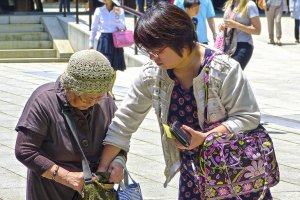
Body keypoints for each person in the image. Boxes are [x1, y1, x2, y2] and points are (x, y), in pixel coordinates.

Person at [97, 2, 273, 199]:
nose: (154, 57)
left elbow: (248, 116)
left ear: (180, 39)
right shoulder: (152, 75)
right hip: (193, 175)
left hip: (237, 173)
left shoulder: (223, 69)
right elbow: (124, 123)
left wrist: (206, 137)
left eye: (159, 50)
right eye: (149, 50)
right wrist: (103, 170)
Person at [15, 49, 126, 200]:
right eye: (87, 98)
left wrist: (119, 161)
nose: (93, 102)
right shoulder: (43, 100)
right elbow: (25, 150)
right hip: (50, 191)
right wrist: (66, 177)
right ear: (70, 87)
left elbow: (118, 138)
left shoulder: (106, 101)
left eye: (98, 97)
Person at [89, 0, 126, 100]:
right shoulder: (99, 10)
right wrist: (91, 42)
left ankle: (110, 89)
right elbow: (94, 27)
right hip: (104, 39)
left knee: (114, 68)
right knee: (104, 66)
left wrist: (117, 17)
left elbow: (123, 27)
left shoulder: (119, 10)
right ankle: (104, 90)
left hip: (115, 39)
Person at [219, 0, 261, 70]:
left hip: (243, 45)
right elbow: (228, 23)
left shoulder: (250, 5)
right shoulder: (230, 3)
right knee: (225, 76)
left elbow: (257, 30)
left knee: (231, 74)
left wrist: (236, 25)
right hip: (227, 46)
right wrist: (223, 26)